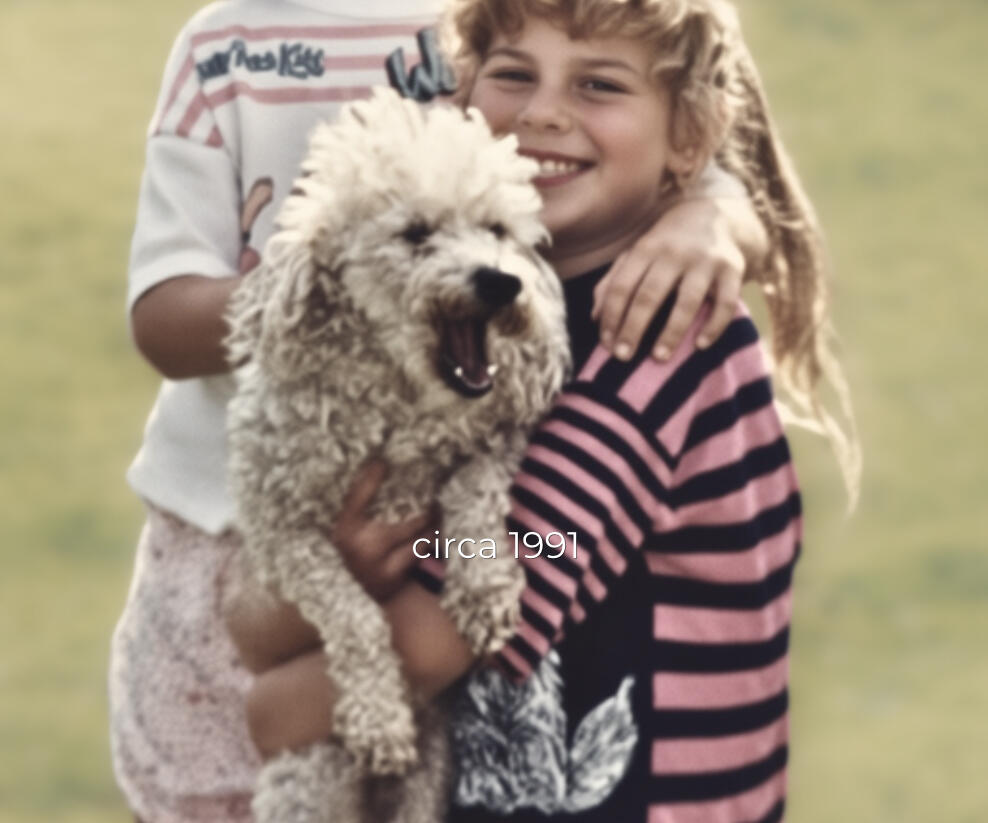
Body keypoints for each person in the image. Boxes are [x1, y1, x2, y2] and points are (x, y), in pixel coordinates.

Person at [110, 0, 770, 820]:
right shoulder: (518, 310)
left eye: (598, 86)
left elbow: (516, 557)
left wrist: (414, 543)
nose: (543, 113)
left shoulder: (653, 341)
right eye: (512, 77)